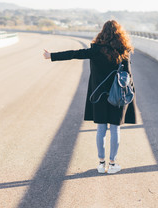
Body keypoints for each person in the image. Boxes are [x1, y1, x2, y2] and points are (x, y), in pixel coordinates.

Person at [43, 20, 136, 174]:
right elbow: (128, 76)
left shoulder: (95, 50)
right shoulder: (123, 51)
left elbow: (74, 54)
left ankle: (101, 164)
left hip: (99, 95)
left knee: (101, 129)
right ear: (120, 34)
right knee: (115, 129)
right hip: (117, 95)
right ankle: (112, 164)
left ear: (102, 33)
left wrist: (50, 55)